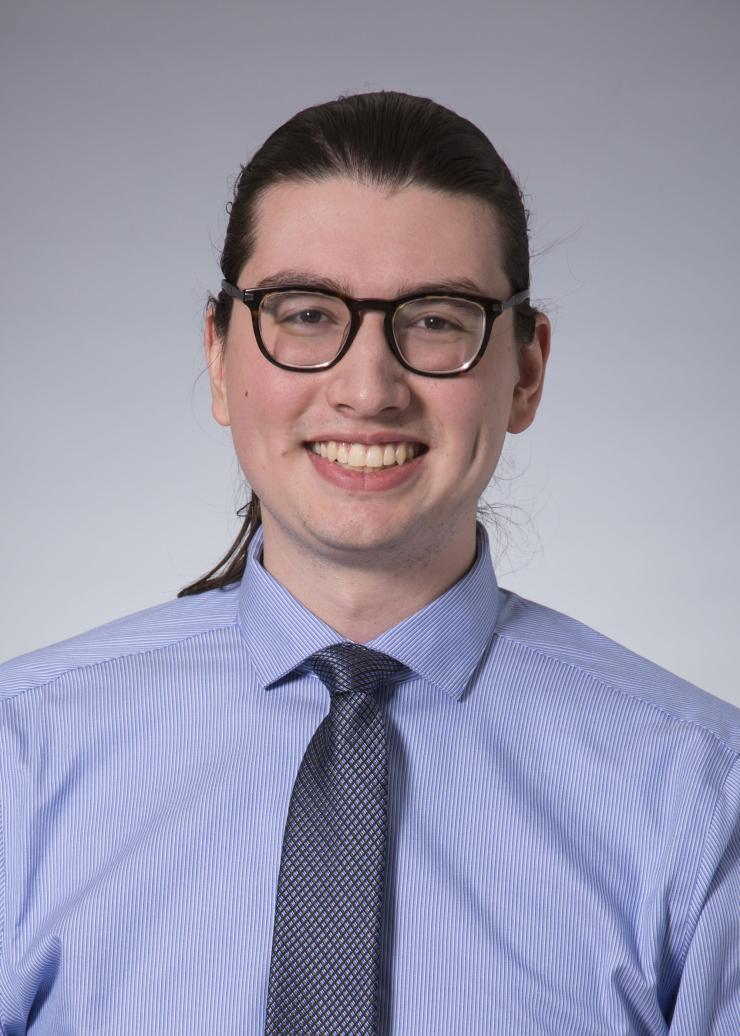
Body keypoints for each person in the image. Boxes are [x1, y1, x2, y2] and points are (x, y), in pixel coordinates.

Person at [0, 91, 737, 1035]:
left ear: (526, 371)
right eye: (308, 313)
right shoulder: (20, 762)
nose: (367, 388)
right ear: (220, 357)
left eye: (435, 320)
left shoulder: (705, 800)